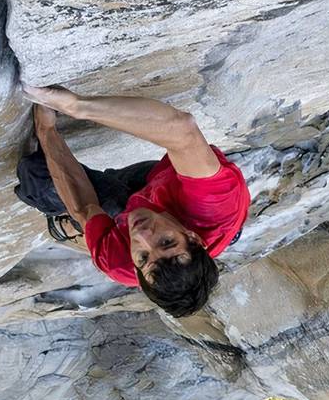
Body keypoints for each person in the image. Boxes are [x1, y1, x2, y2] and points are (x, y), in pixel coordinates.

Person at [14, 84, 249, 317]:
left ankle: (80, 231)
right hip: (164, 185)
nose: (143, 235)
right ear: (193, 237)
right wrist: (77, 106)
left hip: (153, 202)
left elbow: (84, 208)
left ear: (136, 272)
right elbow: (182, 131)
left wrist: (46, 130)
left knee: (38, 178)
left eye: (143, 257)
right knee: (123, 196)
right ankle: (105, 214)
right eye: (166, 241)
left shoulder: (120, 263)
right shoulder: (212, 205)